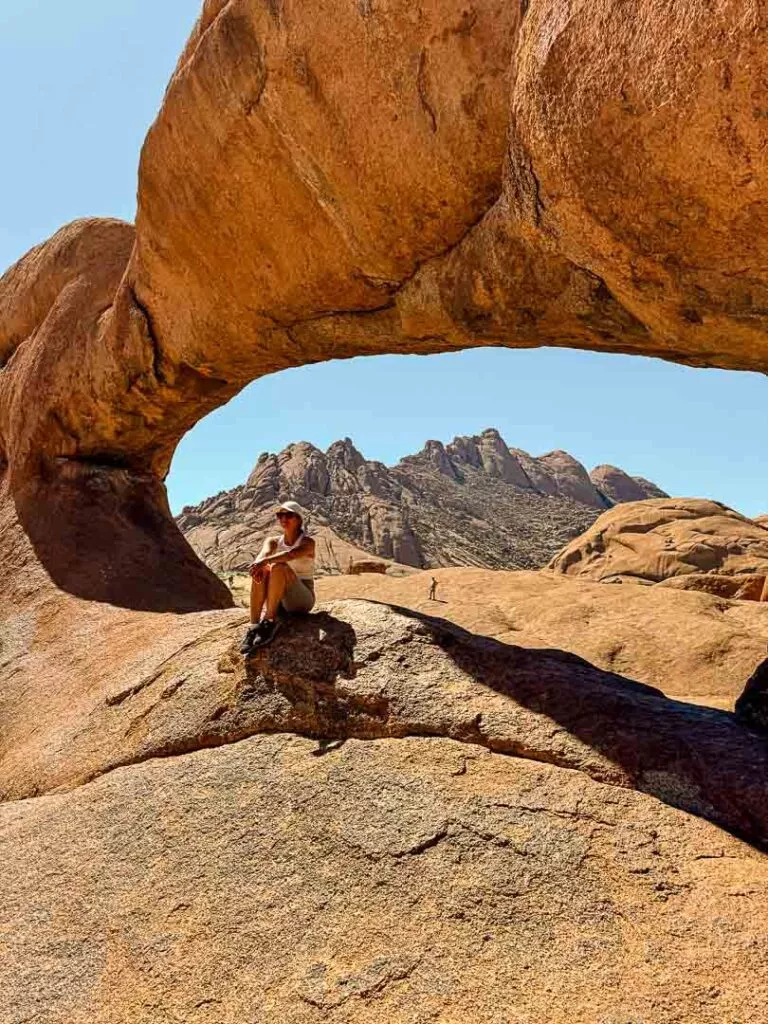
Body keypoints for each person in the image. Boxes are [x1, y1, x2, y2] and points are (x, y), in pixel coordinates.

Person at [239, 500, 316, 655]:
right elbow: (264, 554)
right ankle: (254, 626)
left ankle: (268, 621)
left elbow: (290, 555)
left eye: (288, 515)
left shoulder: (308, 543)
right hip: (279, 599)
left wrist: (265, 561)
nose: (283, 519)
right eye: (280, 515)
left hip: (301, 599)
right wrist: (258, 564)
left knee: (279, 566)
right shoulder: (273, 541)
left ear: (299, 519)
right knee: (263, 569)